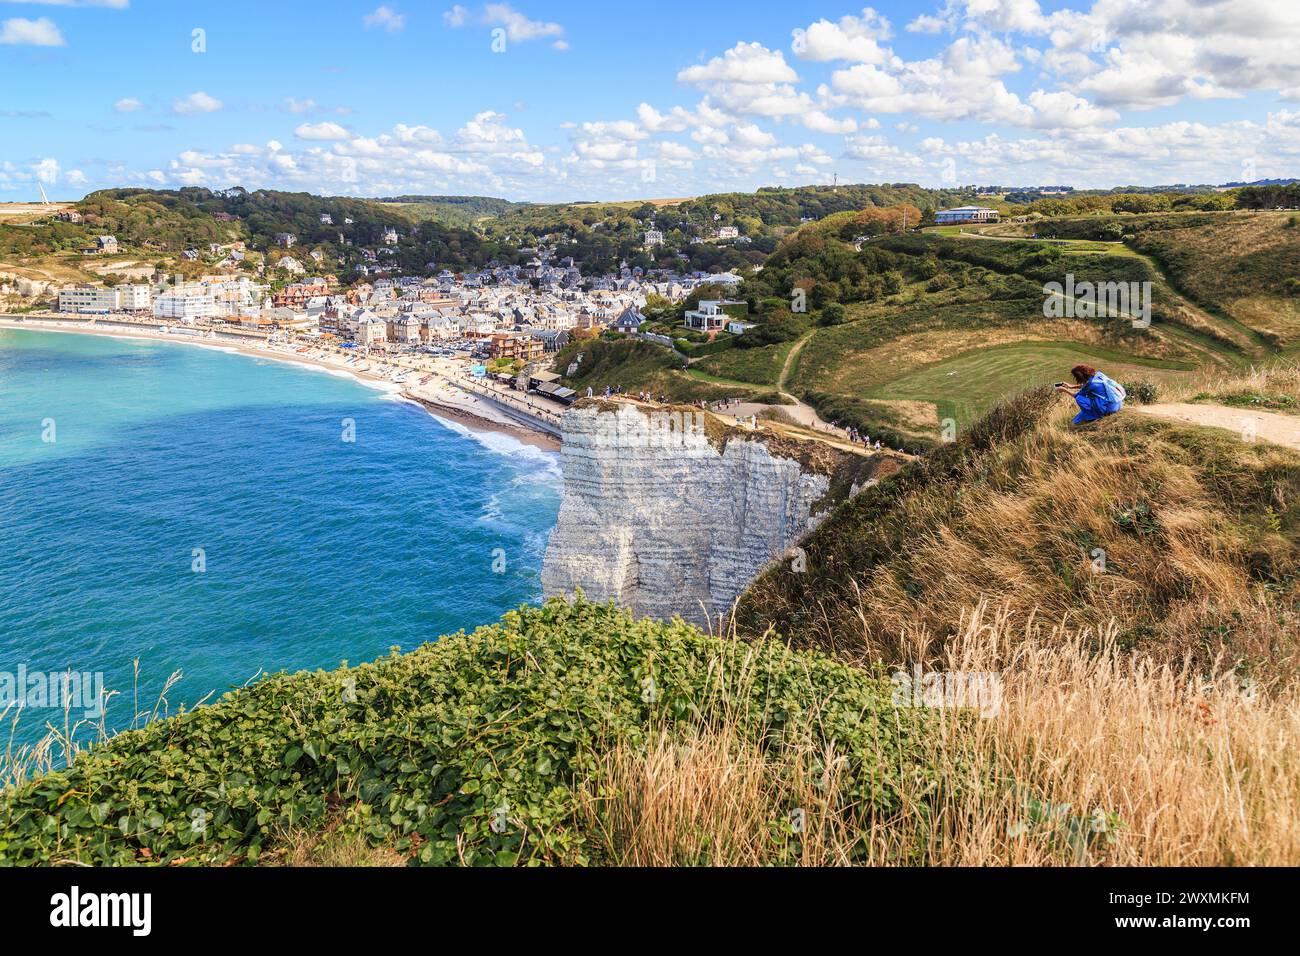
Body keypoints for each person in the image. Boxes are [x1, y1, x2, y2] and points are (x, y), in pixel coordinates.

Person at [1056, 364, 1126, 424]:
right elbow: (1088, 385)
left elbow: (1077, 395)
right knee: (1075, 421)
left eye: (1075, 377)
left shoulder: (1090, 384)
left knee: (1079, 398)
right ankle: (1086, 417)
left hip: (1110, 408)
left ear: (1080, 377)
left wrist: (1064, 390)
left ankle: (1095, 417)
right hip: (1118, 404)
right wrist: (1071, 386)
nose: (1075, 378)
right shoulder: (1099, 375)